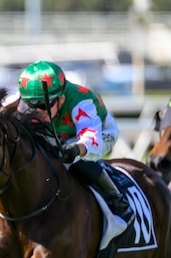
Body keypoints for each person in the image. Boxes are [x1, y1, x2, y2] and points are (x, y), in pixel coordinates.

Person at [17, 60, 134, 224]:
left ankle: (116, 198)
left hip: (99, 133)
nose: (37, 111)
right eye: (31, 105)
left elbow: (90, 139)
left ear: (61, 97)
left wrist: (74, 150)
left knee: (74, 159)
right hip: (58, 134)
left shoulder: (81, 102)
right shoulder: (25, 101)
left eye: (44, 105)